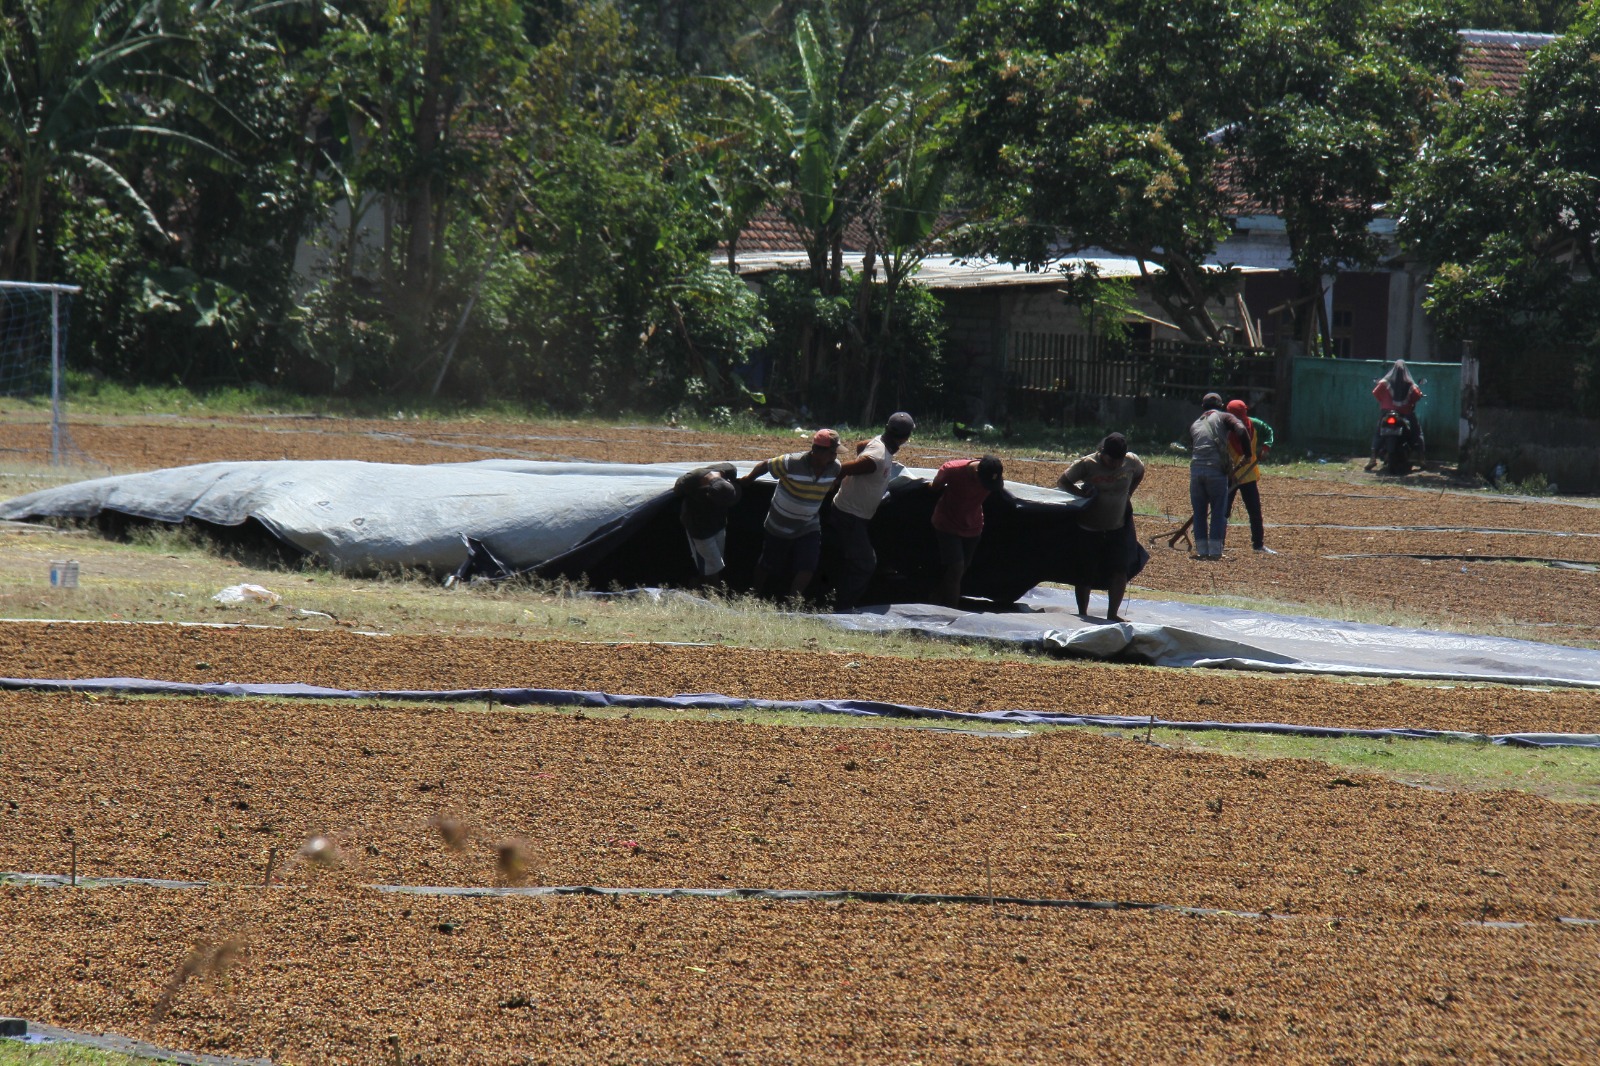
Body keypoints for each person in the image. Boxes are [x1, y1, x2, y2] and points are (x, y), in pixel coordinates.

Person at [827, 411, 915, 612]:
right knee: (865, 564)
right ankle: (842, 608)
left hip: (855, 513)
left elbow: (861, 445)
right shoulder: (876, 458)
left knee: (853, 558)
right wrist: (835, 481)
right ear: (905, 437)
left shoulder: (880, 444)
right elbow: (843, 468)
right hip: (850, 516)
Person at [742, 429, 843, 598]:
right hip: (779, 523)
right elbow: (765, 465)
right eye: (831, 453)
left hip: (808, 524)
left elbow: (833, 484)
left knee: (808, 565)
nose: (834, 456)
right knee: (768, 563)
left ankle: (793, 602)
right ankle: (754, 594)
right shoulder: (792, 462)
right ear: (816, 451)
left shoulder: (835, 467)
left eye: (835, 453)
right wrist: (748, 479)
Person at [1057, 432, 1145, 621]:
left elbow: (1140, 472)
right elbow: (1063, 481)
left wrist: (1129, 493)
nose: (1115, 465)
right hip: (1089, 527)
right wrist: (1081, 495)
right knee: (1085, 573)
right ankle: (1082, 613)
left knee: (1120, 570)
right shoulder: (1087, 464)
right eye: (1111, 460)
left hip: (1117, 526)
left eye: (1119, 460)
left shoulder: (1131, 461)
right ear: (1102, 453)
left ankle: (1113, 614)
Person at [929, 454, 1004, 608]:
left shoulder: (991, 477)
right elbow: (934, 487)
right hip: (947, 523)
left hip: (973, 526)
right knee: (956, 567)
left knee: (960, 570)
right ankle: (951, 611)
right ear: (976, 472)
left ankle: (936, 596)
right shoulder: (952, 469)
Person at [1188, 393, 1250, 560]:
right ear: (1221, 406)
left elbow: (1192, 446)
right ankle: (1215, 552)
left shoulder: (1195, 424)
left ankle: (1202, 551)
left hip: (1196, 472)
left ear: (1203, 407)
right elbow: (1241, 430)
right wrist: (1248, 454)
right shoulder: (1224, 417)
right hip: (1215, 471)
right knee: (1217, 511)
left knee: (1199, 513)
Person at [672, 462, 741, 587]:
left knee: (715, 560)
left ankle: (700, 582)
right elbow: (677, 490)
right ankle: (712, 591)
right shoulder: (691, 480)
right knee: (712, 566)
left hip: (719, 524)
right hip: (699, 528)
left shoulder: (728, 470)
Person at [1224, 399, 1276, 554]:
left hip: (1249, 476)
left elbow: (1269, 432)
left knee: (1255, 511)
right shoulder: (1223, 428)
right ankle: (1218, 543)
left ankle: (1258, 545)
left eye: (1242, 416)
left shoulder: (1254, 425)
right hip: (1230, 476)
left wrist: (1265, 447)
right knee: (1223, 512)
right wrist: (1228, 470)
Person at [1367, 360, 1424, 471]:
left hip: (1386, 412)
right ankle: (1421, 458)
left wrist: (1384, 402)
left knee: (1378, 432)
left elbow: (1375, 393)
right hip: (1405, 413)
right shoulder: (1410, 384)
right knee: (1417, 432)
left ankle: (1373, 457)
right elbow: (1417, 396)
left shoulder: (1384, 382)